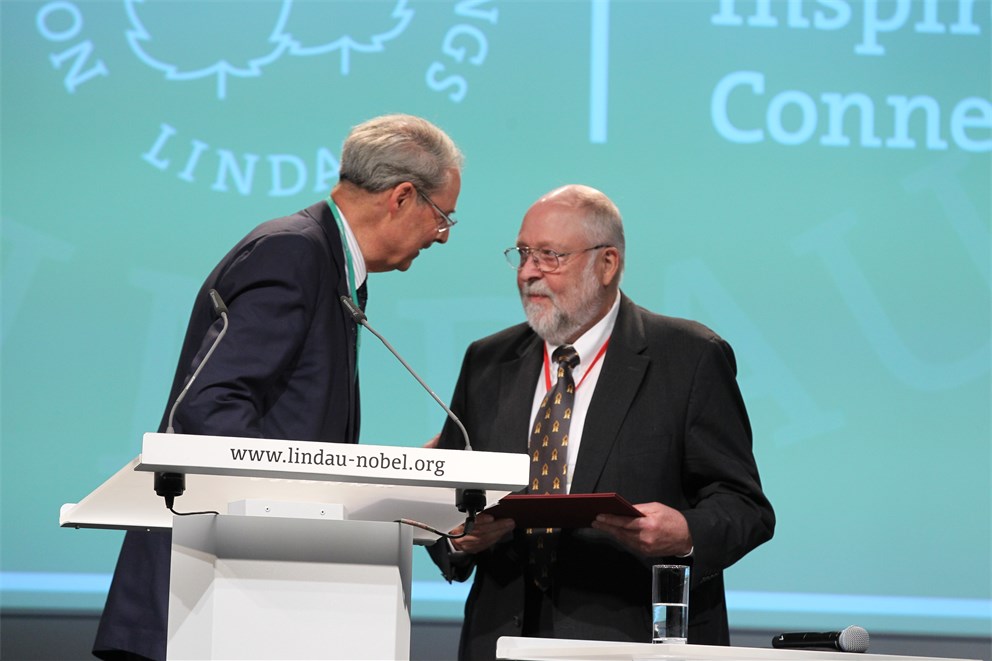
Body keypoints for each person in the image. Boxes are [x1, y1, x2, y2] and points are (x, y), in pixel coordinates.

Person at [93, 114, 464, 661]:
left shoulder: (331, 264)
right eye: (442, 215)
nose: (443, 235)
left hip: (250, 597)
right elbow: (209, 412)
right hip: (206, 602)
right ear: (402, 197)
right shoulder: (294, 252)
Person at [428, 184, 775, 660]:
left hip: (636, 639)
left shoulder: (688, 356)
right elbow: (446, 500)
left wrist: (686, 532)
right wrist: (457, 538)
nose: (529, 273)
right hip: (499, 639)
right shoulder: (488, 360)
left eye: (550, 256)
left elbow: (745, 507)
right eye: (523, 253)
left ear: (607, 263)